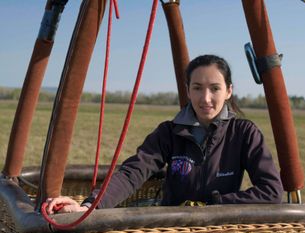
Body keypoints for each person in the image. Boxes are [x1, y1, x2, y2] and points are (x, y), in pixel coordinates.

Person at [46, 54, 283, 214]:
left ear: (229, 91)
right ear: (188, 91)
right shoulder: (169, 133)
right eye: (197, 88)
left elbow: (271, 191)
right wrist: (89, 207)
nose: (206, 98)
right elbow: (132, 173)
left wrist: (217, 203)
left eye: (215, 88)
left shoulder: (243, 133)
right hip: (172, 231)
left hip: (220, 229)